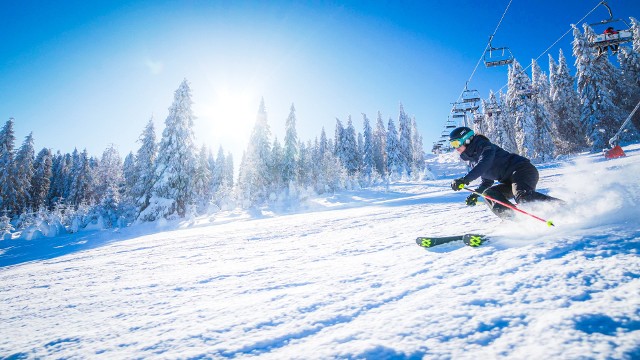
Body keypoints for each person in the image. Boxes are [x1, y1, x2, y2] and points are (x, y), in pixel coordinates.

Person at [448, 126, 562, 220]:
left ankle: (563, 207)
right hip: (509, 181)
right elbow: (487, 180)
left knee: (522, 196)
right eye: (453, 145)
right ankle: (514, 219)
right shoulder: (472, 161)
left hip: (522, 170)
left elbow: (484, 164)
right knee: (489, 194)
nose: (455, 148)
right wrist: (476, 194)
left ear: (467, 139)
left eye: (457, 143)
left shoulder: (485, 146)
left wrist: (465, 179)